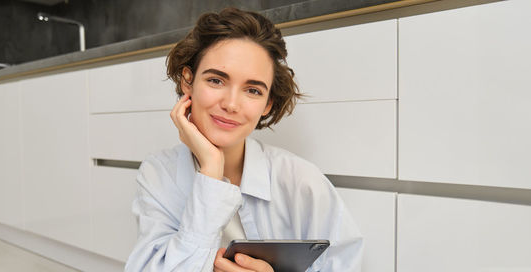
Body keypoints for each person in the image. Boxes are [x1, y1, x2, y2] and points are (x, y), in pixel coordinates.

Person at [125, 7, 363, 272]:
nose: (231, 104)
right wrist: (211, 173)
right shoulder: (159, 174)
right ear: (188, 82)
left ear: (267, 104)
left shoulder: (301, 180)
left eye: (252, 90)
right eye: (216, 80)